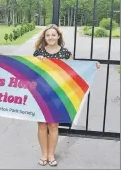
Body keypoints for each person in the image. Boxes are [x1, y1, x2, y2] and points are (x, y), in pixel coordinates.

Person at [33, 24, 100, 166]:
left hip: (58, 94)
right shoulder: (38, 53)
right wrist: (36, 62)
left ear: (58, 36)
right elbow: (31, 74)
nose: (50, 37)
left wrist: (93, 66)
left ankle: (51, 155)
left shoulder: (65, 53)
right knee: (41, 125)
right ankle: (44, 154)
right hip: (42, 93)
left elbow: (76, 71)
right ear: (44, 37)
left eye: (53, 35)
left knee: (53, 125)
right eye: (48, 35)